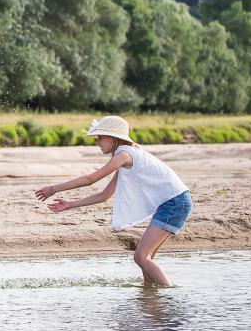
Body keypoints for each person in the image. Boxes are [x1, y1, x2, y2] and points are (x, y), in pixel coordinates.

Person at [36, 116, 192, 286]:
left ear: (113, 138)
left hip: (174, 203)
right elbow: (104, 196)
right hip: (176, 202)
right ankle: (151, 298)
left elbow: (90, 179)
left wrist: (53, 189)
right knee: (146, 259)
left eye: (100, 138)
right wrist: (70, 204)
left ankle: (166, 298)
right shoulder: (126, 158)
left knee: (141, 257)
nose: (97, 143)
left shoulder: (124, 154)